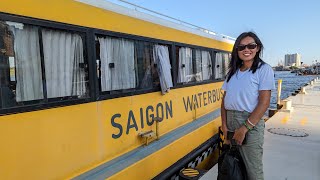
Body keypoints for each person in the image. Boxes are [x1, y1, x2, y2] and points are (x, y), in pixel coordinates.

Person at [221, 31, 275, 180]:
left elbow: (264, 103)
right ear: (236, 50)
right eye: (242, 47)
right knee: (234, 166)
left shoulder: (263, 70)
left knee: (252, 169)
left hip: (249, 122)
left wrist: (244, 128)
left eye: (251, 46)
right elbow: (224, 100)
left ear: (257, 48)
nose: (246, 50)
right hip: (231, 120)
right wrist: (224, 125)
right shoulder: (232, 72)